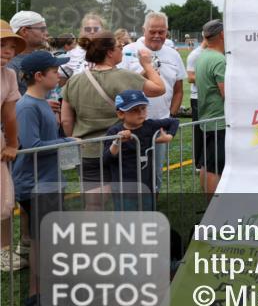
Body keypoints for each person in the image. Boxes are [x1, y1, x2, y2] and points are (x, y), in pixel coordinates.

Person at [62, 32, 165, 208]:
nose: (122, 50)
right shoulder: (124, 76)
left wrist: (74, 138)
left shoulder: (75, 80)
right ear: (109, 52)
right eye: (119, 47)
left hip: (87, 150)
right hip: (121, 151)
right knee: (127, 203)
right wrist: (147, 65)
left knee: (93, 206)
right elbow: (159, 88)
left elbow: (66, 119)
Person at [12, 51, 77, 306]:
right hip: (35, 183)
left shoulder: (40, 103)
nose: (58, 75)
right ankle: (36, 296)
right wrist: (67, 142)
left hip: (48, 180)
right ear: (39, 76)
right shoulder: (27, 106)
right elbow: (31, 145)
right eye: (54, 71)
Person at [119, 12, 184, 192]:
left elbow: (178, 89)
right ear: (144, 30)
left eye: (161, 32)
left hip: (158, 126)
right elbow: (120, 87)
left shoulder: (173, 55)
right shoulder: (128, 51)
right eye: (152, 31)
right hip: (130, 127)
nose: (157, 36)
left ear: (167, 32)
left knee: (155, 175)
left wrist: (170, 115)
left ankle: (153, 208)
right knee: (130, 173)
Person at [102, 90, 178, 210]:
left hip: (147, 185)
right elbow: (106, 159)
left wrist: (169, 137)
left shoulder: (150, 125)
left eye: (143, 108)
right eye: (134, 110)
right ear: (121, 114)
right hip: (124, 188)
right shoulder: (114, 132)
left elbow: (174, 121)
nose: (141, 113)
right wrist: (117, 142)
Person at [0, 20, 25, 271]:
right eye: (1, 45)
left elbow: (9, 115)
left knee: (4, 202)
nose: (7, 51)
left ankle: (4, 251)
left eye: (10, 46)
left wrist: (12, 143)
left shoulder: (9, 76)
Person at [194, 20, 226, 197]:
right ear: (222, 35)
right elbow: (226, 93)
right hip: (219, 121)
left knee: (207, 164)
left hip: (207, 118)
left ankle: (208, 202)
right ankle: (213, 206)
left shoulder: (203, 55)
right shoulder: (219, 60)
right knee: (216, 166)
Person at [8, 11, 51, 95]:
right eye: (42, 29)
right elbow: (6, 103)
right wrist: (38, 103)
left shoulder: (41, 56)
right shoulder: (8, 63)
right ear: (24, 31)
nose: (46, 33)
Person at [186, 38, 206, 173]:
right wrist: (210, 78)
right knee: (199, 131)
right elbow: (190, 77)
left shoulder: (219, 52)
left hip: (211, 97)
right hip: (197, 97)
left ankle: (206, 160)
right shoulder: (195, 54)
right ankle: (198, 164)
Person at [65, 12, 106, 77]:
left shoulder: (110, 51)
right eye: (88, 29)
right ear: (82, 30)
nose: (92, 32)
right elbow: (63, 80)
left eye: (96, 29)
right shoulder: (73, 53)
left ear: (103, 30)